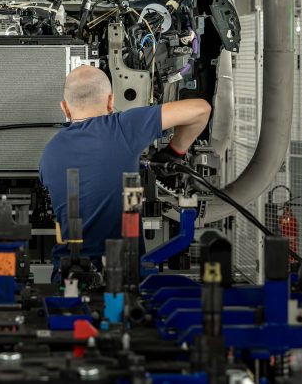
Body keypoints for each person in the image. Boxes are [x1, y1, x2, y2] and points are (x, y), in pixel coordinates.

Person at [39, 65, 211, 276]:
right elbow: (201, 110)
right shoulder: (123, 127)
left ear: (65, 108)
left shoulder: (49, 152)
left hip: (67, 277)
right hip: (123, 276)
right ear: (111, 101)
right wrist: (175, 152)